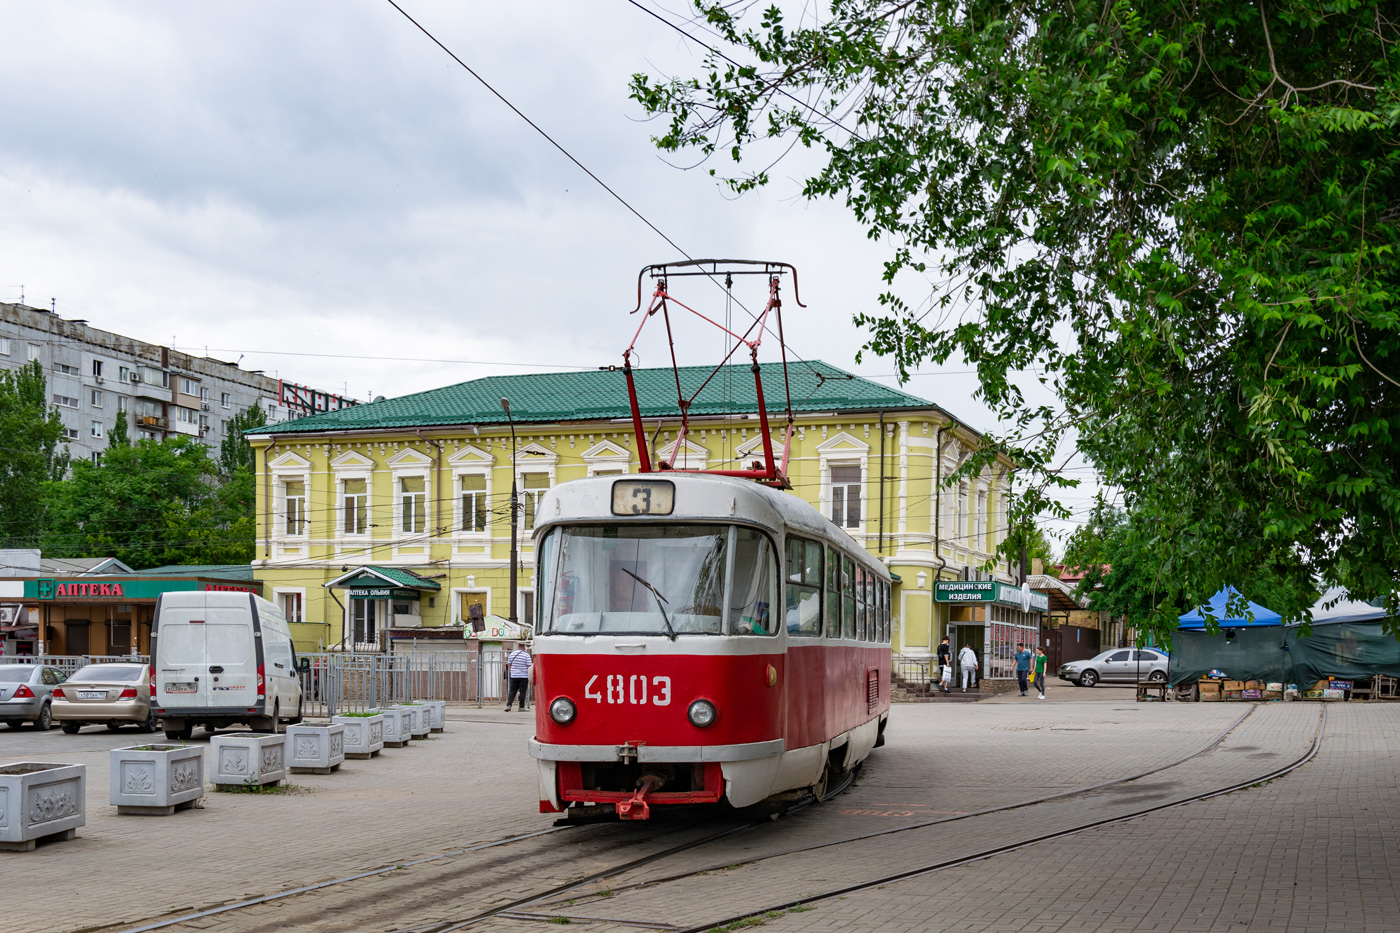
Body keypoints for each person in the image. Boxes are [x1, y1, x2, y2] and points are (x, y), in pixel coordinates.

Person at [504, 644, 532, 711]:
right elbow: (529, 666)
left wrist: (512, 672)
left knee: (512, 691)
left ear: (517, 647)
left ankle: (509, 705)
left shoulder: (512, 654)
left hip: (514, 676)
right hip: (523, 676)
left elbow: (509, 664)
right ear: (524, 647)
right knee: (522, 691)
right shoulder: (526, 655)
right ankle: (521, 707)